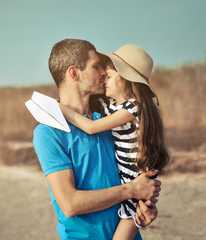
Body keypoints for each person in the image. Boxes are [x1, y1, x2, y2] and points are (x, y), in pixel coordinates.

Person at [32, 38, 161, 240]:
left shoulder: (112, 121)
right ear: (74, 73)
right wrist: (132, 190)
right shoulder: (48, 133)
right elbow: (70, 204)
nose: (104, 72)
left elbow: (137, 168)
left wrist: (143, 209)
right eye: (96, 66)